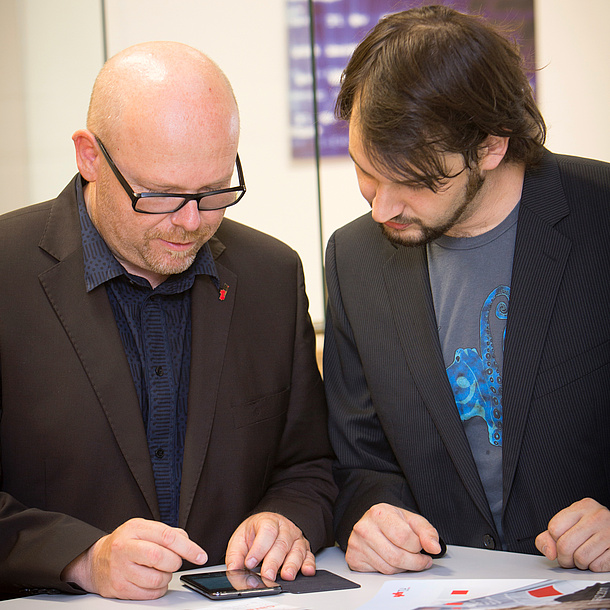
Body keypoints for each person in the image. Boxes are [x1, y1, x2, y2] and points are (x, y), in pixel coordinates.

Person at [0, 41, 336, 600]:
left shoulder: (272, 275)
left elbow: (309, 466)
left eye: (213, 192)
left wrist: (286, 520)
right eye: (160, 194)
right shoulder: (6, 273)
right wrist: (81, 557)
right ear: (89, 157)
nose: (190, 221)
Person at [324, 5, 610, 576]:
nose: (380, 207)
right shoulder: (353, 256)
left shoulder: (600, 218)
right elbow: (358, 459)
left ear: (490, 147)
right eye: (364, 171)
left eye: (411, 182)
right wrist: (372, 514)